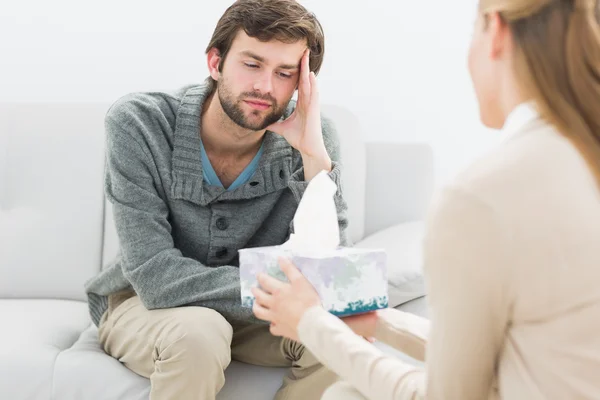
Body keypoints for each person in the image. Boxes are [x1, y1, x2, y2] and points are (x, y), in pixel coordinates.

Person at [252, 0, 600, 398]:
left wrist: (312, 322)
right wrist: (381, 322)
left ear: (496, 33)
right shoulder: (579, 158)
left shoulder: (480, 199)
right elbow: (518, 352)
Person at [84, 1, 349, 399]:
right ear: (215, 61)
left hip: (257, 316)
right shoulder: (139, 123)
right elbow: (154, 276)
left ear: (302, 83)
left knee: (340, 335)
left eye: (284, 73)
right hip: (147, 307)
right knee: (200, 333)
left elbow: (328, 275)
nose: (265, 87)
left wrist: (314, 162)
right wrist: (283, 287)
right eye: (252, 64)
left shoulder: (315, 139)